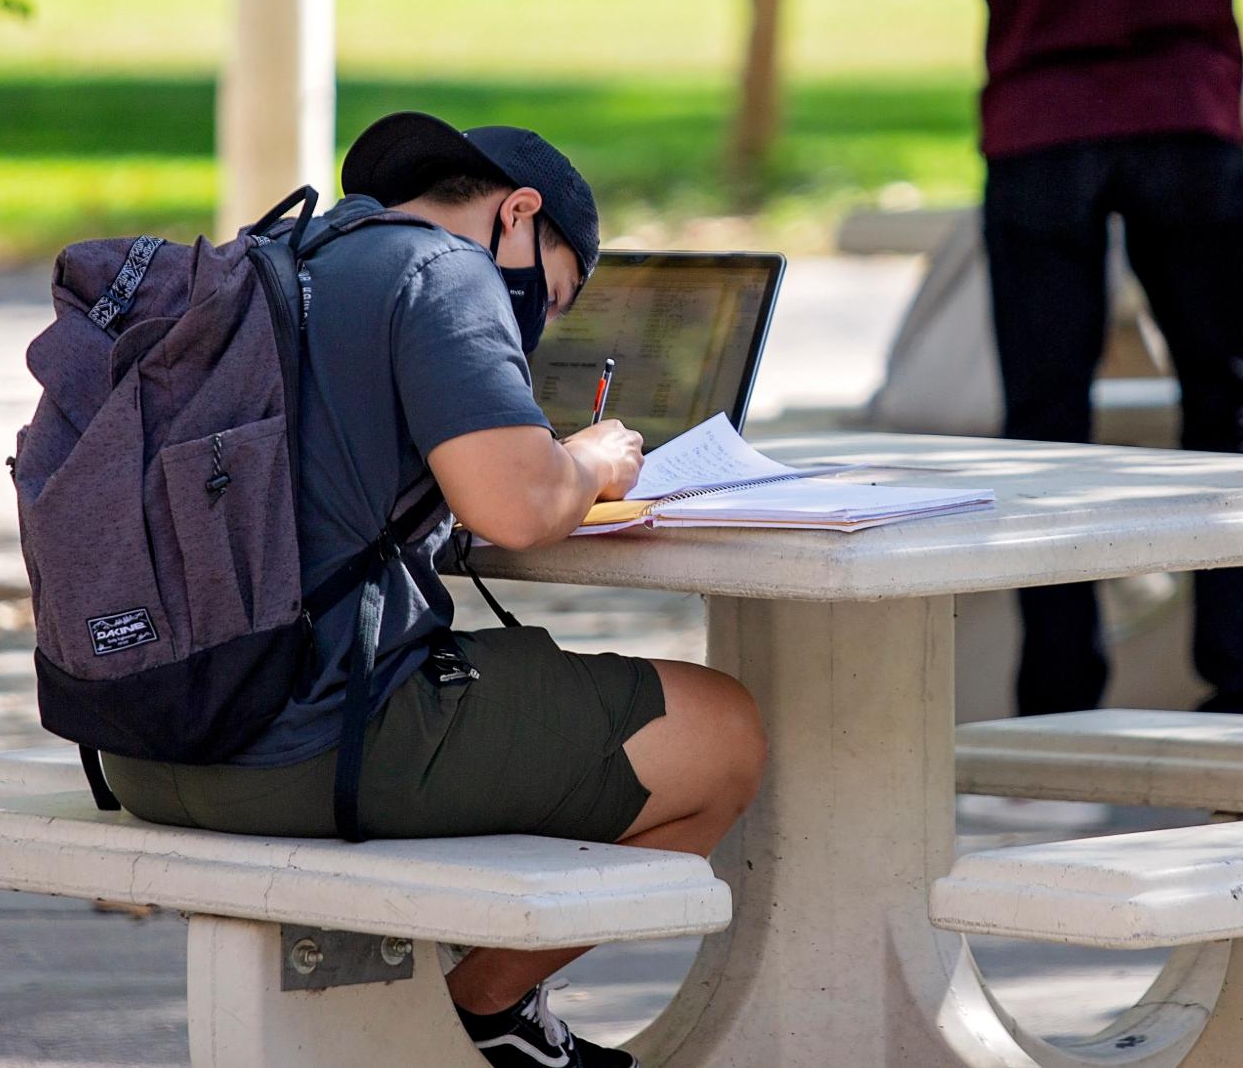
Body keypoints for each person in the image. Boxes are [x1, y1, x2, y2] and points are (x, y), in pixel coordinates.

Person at [100, 112, 767, 1068]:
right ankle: (480, 1013)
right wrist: (591, 455)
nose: (541, 319)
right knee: (724, 730)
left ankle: (470, 1003)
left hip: (152, 739)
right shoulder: (444, 275)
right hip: (303, 746)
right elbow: (520, 507)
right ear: (518, 213)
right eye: (553, 292)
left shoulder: (278, 252)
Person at [888, 0, 1243, 716]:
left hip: (1039, 120)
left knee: (1044, 423)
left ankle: (1061, 698)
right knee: (1222, 402)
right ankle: (1240, 691)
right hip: (1184, 108)